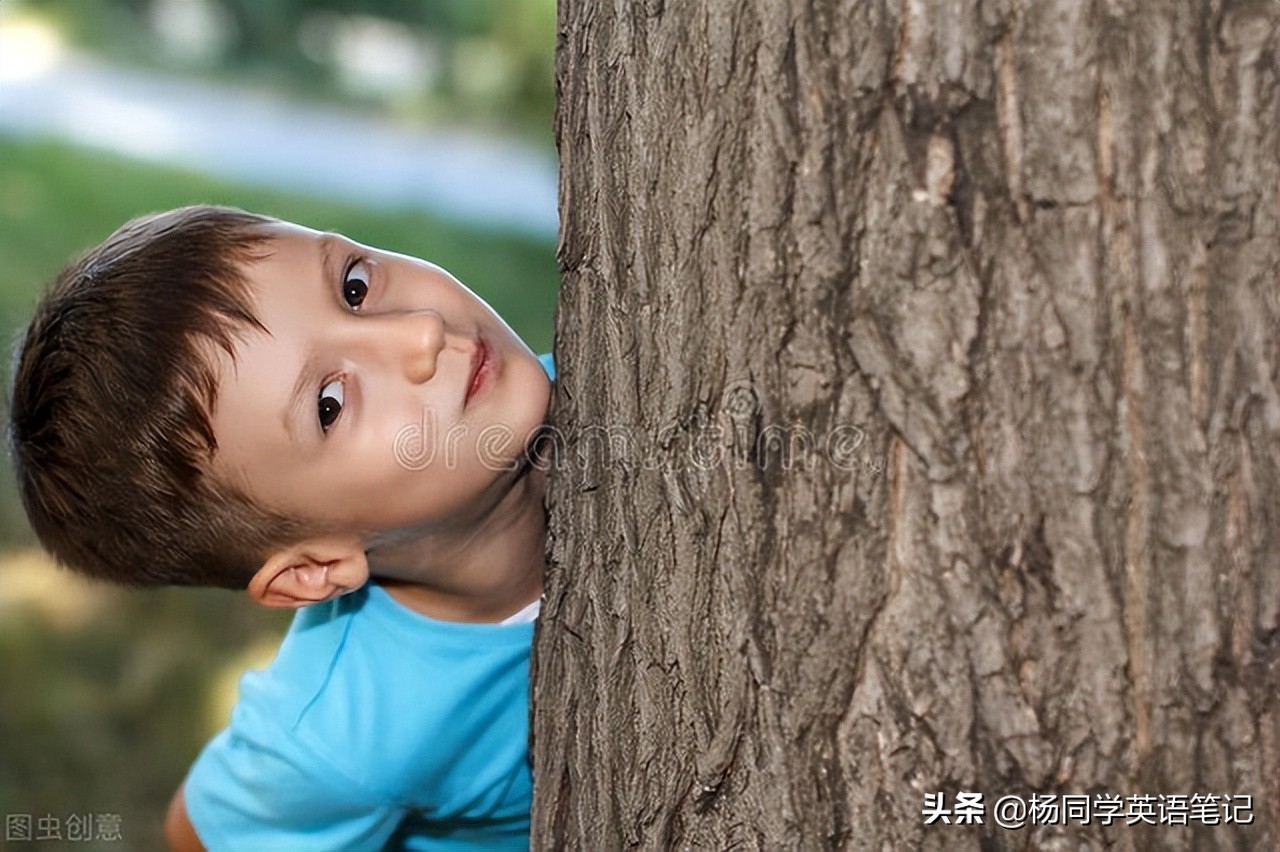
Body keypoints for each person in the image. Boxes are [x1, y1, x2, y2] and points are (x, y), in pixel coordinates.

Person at [7, 205, 556, 851]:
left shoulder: (603, 385)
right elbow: (197, 832)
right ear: (314, 569)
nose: (419, 334)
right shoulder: (343, 730)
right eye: (330, 405)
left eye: (355, 286)